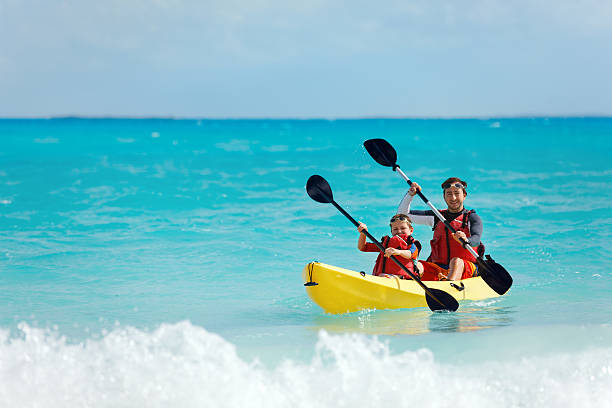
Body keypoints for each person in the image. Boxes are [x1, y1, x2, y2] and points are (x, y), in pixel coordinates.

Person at [397, 177, 484, 281]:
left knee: (456, 261)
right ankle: (404, 282)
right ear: (444, 196)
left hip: (467, 268)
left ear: (464, 195)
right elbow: (402, 215)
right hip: (439, 268)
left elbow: (476, 239)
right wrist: (410, 195)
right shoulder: (437, 217)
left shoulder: (471, 217)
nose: (453, 198)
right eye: (449, 194)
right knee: (417, 265)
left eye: (457, 193)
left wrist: (466, 240)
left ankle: (449, 286)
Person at [357, 214, 424, 279]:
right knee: (382, 276)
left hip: (403, 279)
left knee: (383, 276)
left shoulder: (412, 243)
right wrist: (363, 234)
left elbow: (411, 254)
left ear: (411, 230)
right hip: (383, 277)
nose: (399, 231)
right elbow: (363, 247)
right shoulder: (386, 245)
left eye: (403, 228)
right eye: (395, 229)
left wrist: (398, 252)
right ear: (391, 231)